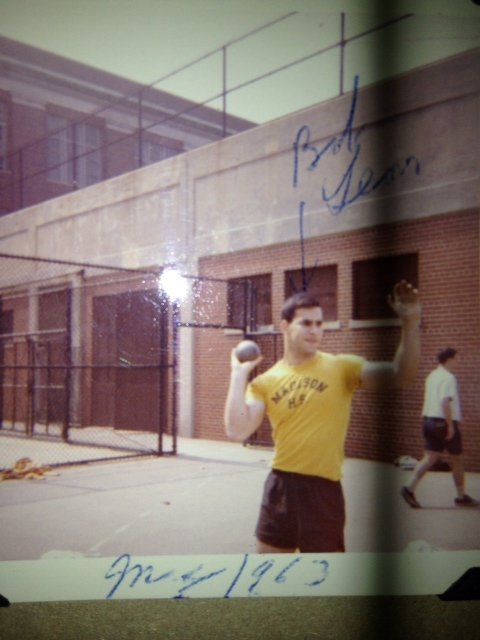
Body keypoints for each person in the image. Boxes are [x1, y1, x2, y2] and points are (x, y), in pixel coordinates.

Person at [224, 280, 421, 553]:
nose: (315, 331)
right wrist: (239, 375)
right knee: (269, 577)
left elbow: (402, 375)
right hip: (281, 486)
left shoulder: (341, 367)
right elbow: (236, 430)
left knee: (326, 580)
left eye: (319, 324)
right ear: (284, 326)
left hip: (323, 489)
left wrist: (410, 321)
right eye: (306, 323)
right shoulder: (266, 382)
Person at [401, 348, 479, 509]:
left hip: (428, 420)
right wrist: (450, 425)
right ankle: (460, 496)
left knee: (430, 458)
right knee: (457, 459)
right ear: (449, 359)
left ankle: (409, 488)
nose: (458, 362)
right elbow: (445, 402)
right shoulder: (449, 377)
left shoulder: (432, 376)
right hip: (443, 423)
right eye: (457, 359)